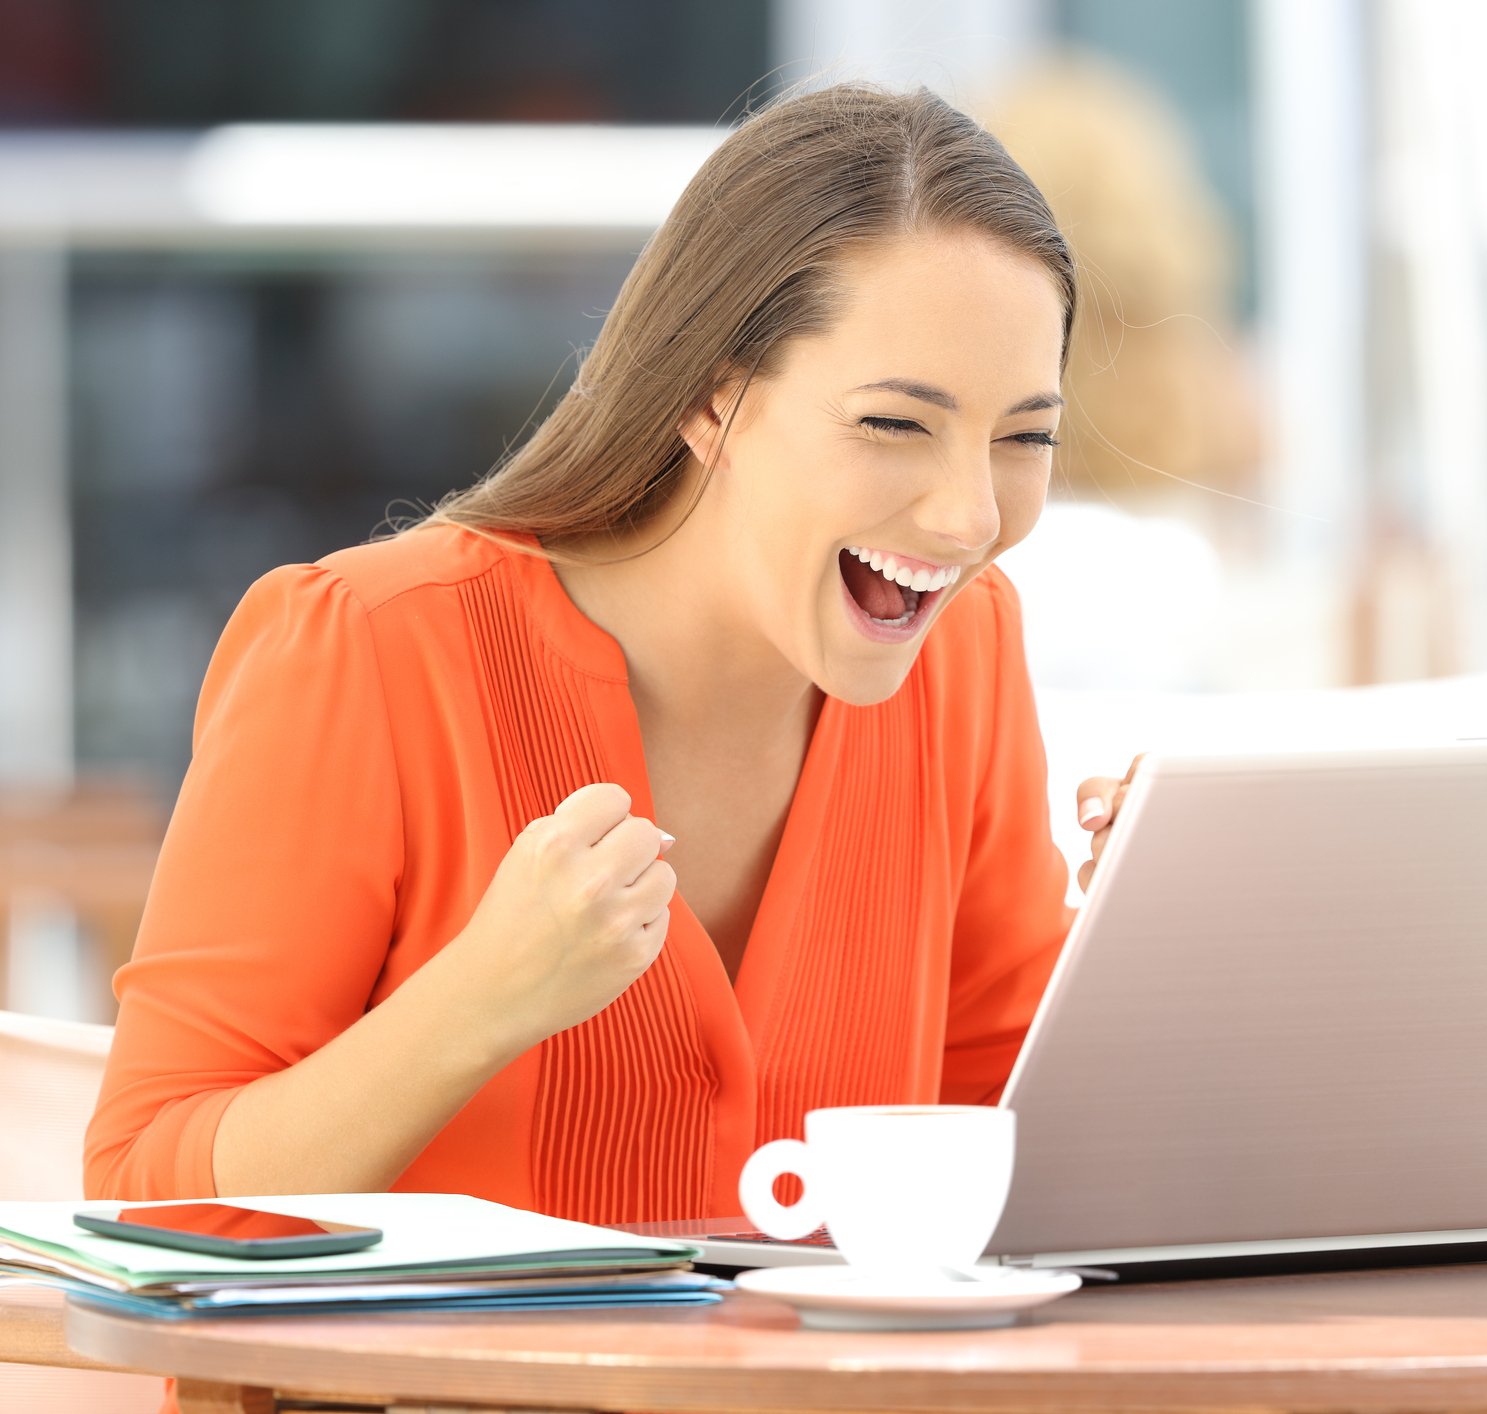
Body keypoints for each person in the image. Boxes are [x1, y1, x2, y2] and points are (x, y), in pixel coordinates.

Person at [83, 80, 1139, 1227]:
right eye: (895, 423)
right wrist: (478, 1002)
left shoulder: (965, 656)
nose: (969, 516)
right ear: (708, 397)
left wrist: (1150, 934)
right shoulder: (367, 652)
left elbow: (1015, 1146)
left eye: (1025, 435)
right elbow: (145, 1199)